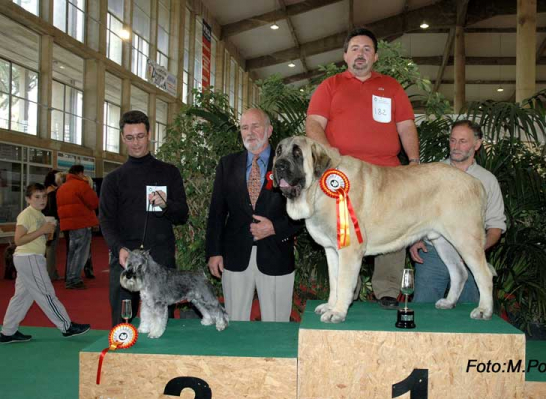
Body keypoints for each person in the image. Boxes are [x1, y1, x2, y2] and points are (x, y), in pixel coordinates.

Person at [306, 27, 420, 309]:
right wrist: (331, 156)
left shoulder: (391, 87)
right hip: (342, 176)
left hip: (388, 173)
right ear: (345, 55)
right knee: (342, 233)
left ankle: (389, 291)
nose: (361, 54)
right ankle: (347, 294)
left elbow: (406, 127)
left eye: (367, 49)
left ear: (376, 56)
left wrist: (415, 162)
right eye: (355, 48)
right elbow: (313, 124)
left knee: (395, 226)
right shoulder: (329, 86)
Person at [206, 108, 303, 322]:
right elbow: (216, 212)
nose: (249, 132)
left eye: (256, 126)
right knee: (235, 326)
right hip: (234, 257)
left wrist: (275, 228)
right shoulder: (227, 164)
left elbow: (302, 210)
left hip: (276, 255)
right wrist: (214, 252)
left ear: (269, 130)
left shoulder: (289, 164)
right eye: (244, 127)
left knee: (276, 327)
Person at [99, 110, 189, 327]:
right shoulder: (113, 180)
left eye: (140, 136)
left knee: (161, 325)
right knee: (122, 325)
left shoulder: (169, 172)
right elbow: (106, 220)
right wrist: (118, 247)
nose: (136, 143)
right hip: (125, 259)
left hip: (161, 262)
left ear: (149, 134)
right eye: (129, 138)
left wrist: (166, 205)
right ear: (122, 138)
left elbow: (182, 216)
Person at [409, 120, 506, 303]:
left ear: (477, 144)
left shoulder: (488, 180)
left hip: (470, 258)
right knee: (423, 314)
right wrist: (414, 240)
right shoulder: (430, 174)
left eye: (463, 141)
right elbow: (414, 214)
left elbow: (495, 227)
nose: (456, 146)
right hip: (432, 254)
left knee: (469, 318)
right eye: (453, 140)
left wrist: (475, 251)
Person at [1, 183, 90, 343]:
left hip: (29, 258)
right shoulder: (26, 215)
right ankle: (66, 326)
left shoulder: (39, 215)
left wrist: (46, 233)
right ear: (28, 199)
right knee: (46, 293)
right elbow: (18, 240)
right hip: (29, 258)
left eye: (44, 196)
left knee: (21, 297)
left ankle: (8, 332)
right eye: (37, 197)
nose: (42, 200)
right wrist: (42, 231)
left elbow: (36, 237)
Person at [56, 165, 99, 289]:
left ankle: (69, 277)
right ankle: (74, 279)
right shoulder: (81, 185)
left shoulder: (62, 188)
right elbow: (94, 203)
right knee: (81, 253)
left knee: (72, 252)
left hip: (69, 224)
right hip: (82, 223)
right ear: (80, 173)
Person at [42, 170, 61, 281]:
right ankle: (51, 273)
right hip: (52, 222)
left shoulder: (44, 190)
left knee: (46, 247)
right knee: (51, 248)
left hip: (44, 221)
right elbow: (54, 210)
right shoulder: (53, 192)